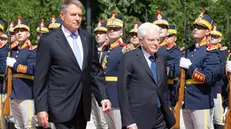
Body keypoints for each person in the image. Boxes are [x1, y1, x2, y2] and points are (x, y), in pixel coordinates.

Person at [33, 0, 111, 129]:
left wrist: (103, 96)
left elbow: (94, 70)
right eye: (73, 15)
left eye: (80, 15)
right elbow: (41, 77)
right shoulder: (49, 41)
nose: (77, 18)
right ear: (62, 16)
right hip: (60, 105)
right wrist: (41, 108)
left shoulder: (87, 38)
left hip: (82, 106)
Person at [117, 22, 176, 129]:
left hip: (160, 117)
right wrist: (129, 121)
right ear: (141, 40)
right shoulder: (129, 58)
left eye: (158, 40)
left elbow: (162, 87)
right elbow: (122, 90)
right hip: (139, 118)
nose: (156, 43)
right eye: (151, 40)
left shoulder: (161, 58)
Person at [179, 10, 221, 129]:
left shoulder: (211, 52)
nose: (195, 29)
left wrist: (190, 67)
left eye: (200, 27)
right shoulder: (189, 50)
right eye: (195, 26)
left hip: (201, 101)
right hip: (186, 101)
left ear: (208, 31)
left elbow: (208, 78)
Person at [7, 16, 37, 129]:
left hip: (26, 93)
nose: (19, 33)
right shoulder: (13, 51)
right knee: (18, 125)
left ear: (28, 34)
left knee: (29, 125)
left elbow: (32, 70)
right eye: (17, 31)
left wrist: (14, 65)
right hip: (14, 93)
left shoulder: (32, 50)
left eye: (22, 31)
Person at [100, 9, 127, 129]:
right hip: (105, 95)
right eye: (109, 28)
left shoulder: (125, 49)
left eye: (115, 29)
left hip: (118, 95)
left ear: (121, 32)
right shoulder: (104, 51)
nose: (111, 31)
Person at [209, 24, 228, 129]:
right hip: (207, 88)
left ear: (220, 39)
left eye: (215, 36)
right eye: (211, 35)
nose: (212, 38)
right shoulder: (205, 50)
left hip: (218, 89)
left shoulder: (223, 52)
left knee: (218, 119)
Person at [91, 19, 109, 129]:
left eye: (101, 33)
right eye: (97, 33)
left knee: (105, 122)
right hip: (93, 89)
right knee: (96, 120)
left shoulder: (109, 51)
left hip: (105, 90)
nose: (98, 35)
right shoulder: (93, 50)